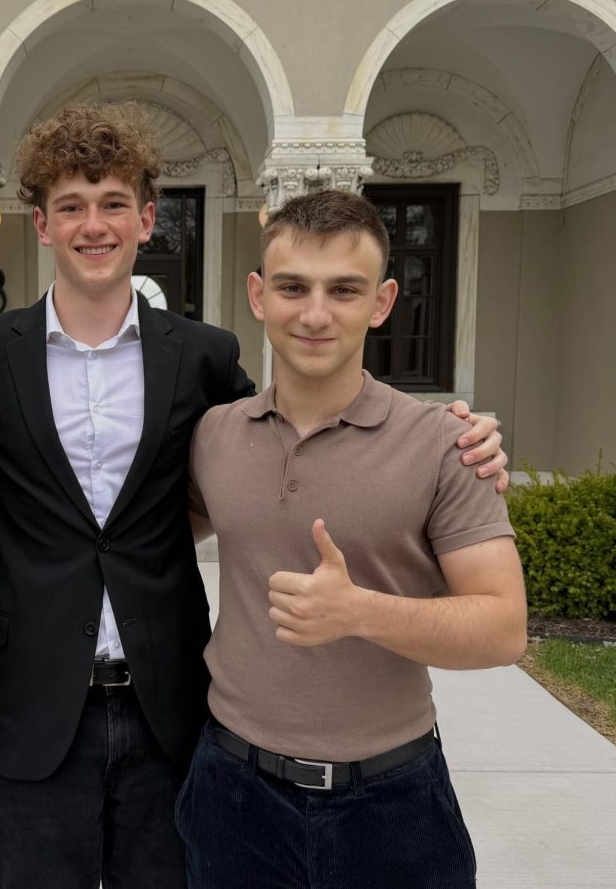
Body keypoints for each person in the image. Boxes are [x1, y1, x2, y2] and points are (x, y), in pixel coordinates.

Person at [0, 104, 508, 888]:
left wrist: (453, 433)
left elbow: (302, 417)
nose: (94, 225)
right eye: (70, 206)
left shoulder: (205, 357)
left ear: (149, 220)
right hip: (31, 705)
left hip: (173, 706)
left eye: (115, 203)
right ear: (41, 225)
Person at [175, 189, 526, 888]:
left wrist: (359, 612)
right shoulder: (215, 436)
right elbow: (141, 544)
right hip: (233, 792)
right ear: (257, 295)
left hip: (392, 803)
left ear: (382, 301)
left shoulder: (446, 445)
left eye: (344, 290)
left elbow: (503, 627)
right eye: (292, 287)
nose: (314, 314)